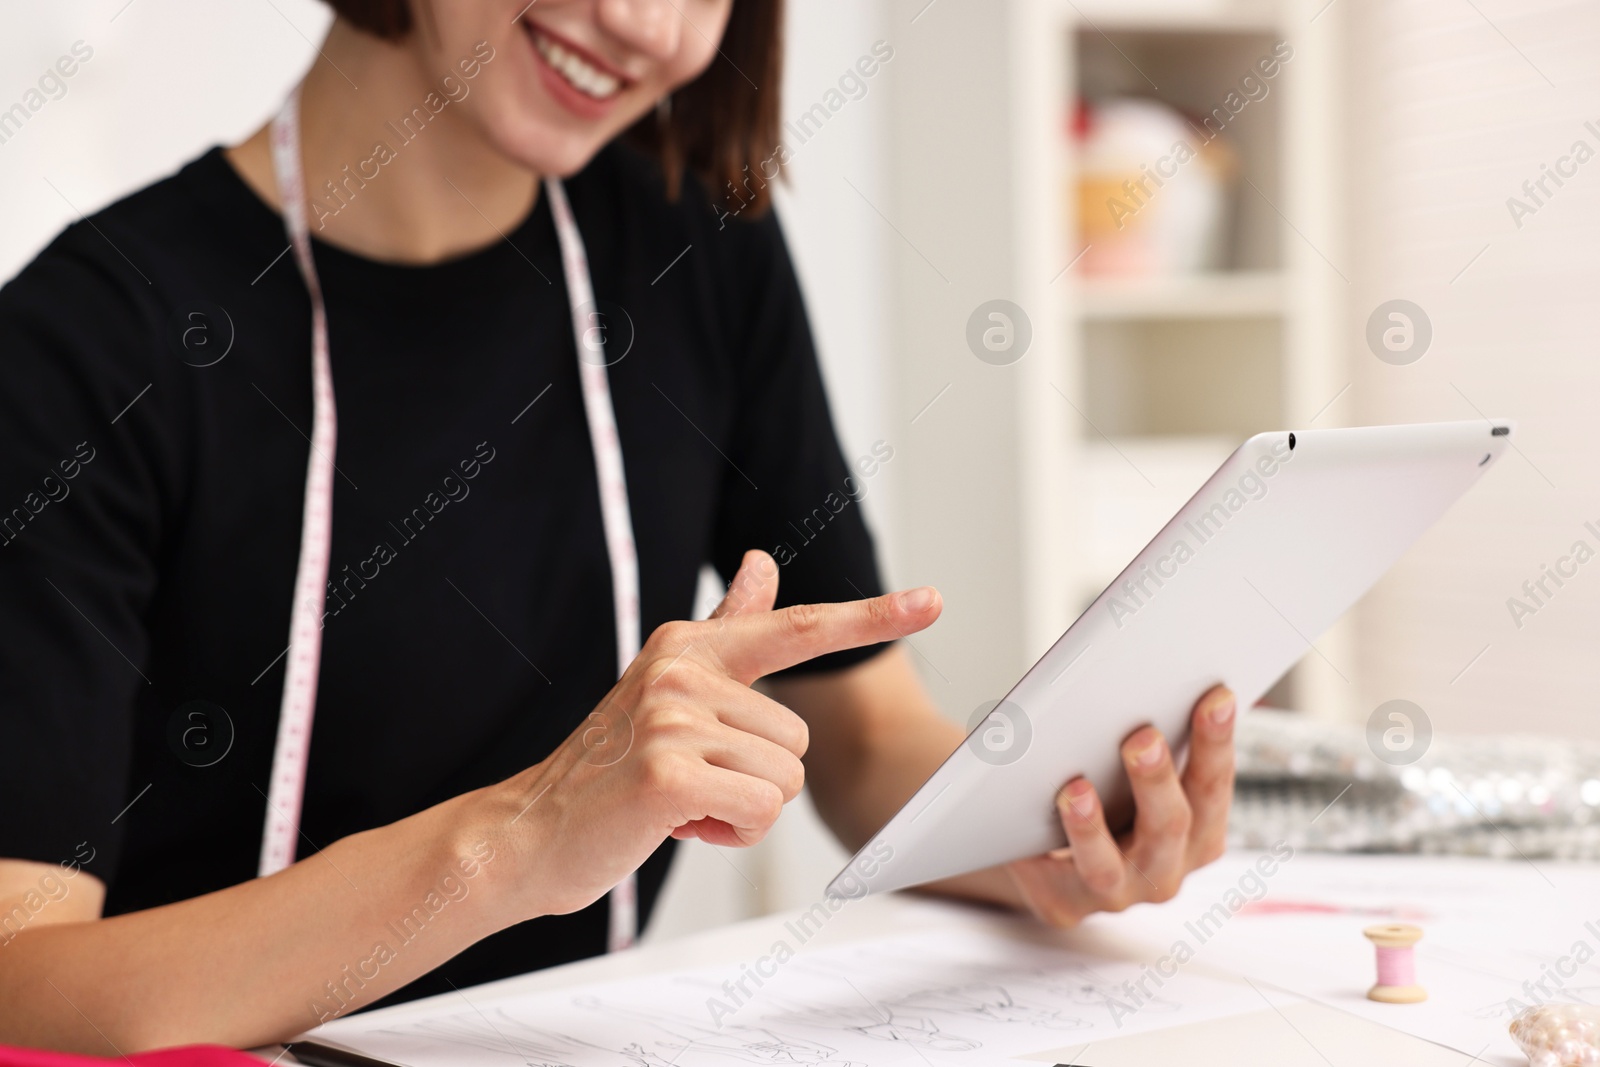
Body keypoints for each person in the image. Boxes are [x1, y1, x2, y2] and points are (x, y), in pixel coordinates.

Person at [0, 0, 1238, 1052]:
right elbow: (22, 982)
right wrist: (513, 840)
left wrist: (1043, 831)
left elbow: (861, 731)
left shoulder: (700, 243)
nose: (650, 29)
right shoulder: (84, 348)